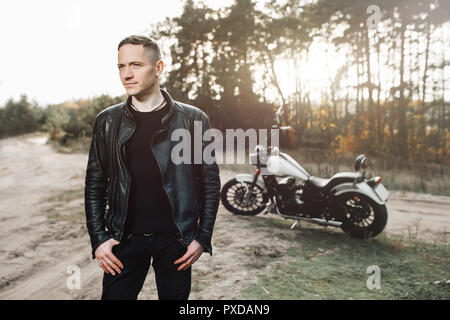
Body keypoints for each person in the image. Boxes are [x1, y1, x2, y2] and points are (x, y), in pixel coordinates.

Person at [84, 34, 221, 300]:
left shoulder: (193, 119)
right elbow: (95, 183)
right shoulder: (107, 121)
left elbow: (208, 181)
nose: (127, 74)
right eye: (121, 66)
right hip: (123, 240)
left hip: (175, 240)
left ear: (158, 68)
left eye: (135, 65)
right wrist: (99, 239)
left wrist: (202, 237)